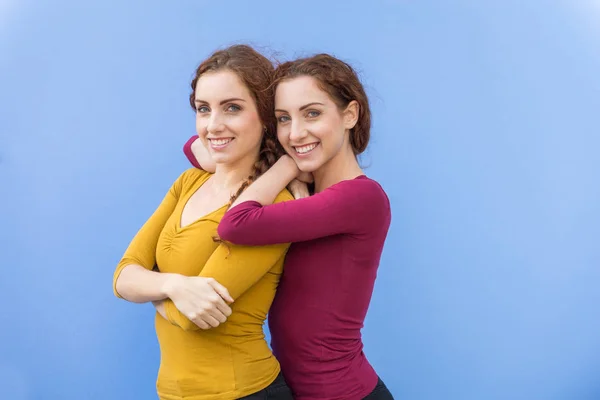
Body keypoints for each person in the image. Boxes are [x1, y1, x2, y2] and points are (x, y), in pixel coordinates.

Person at [184, 54, 394, 399]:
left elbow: (235, 225)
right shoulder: (306, 196)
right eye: (283, 118)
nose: (296, 133)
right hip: (289, 390)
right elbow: (195, 148)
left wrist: (286, 166)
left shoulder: (361, 198)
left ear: (350, 115)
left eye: (312, 113)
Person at [112, 44, 295, 400]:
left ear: (265, 116)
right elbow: (123, 275)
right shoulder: (187, 183)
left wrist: (152, 289)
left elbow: (193, 317)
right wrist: (176, 286)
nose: (213, 125)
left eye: (233, 108)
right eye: (203, 109)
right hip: (172, 392)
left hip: (245, 392)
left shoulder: (274, 207)